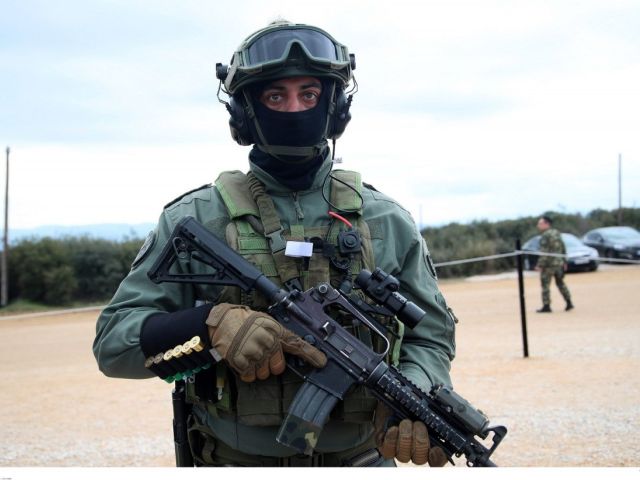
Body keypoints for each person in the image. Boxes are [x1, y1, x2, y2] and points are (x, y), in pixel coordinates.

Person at [93, 20, 457, 467]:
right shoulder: (197, 218)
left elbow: (431, 334)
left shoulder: (386, 220)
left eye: (310, 94)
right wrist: (210, 325)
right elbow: (114, 344)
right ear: (245, 112)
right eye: (275, 96)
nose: (294, 109)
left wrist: (414, 394)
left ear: (335, 107)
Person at [535, 215, 574, 313]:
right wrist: (564, 261)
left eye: (540, 223)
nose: (538, 225)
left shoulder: (545, 235)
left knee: (545, 285)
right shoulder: (557, 233)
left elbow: (544, 252)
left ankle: (546, 306)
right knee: (561, 283)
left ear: (546, 224)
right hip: (559, 263)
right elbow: (563, 247)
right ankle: (569, 302)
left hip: (549, 265)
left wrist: (540, 265)